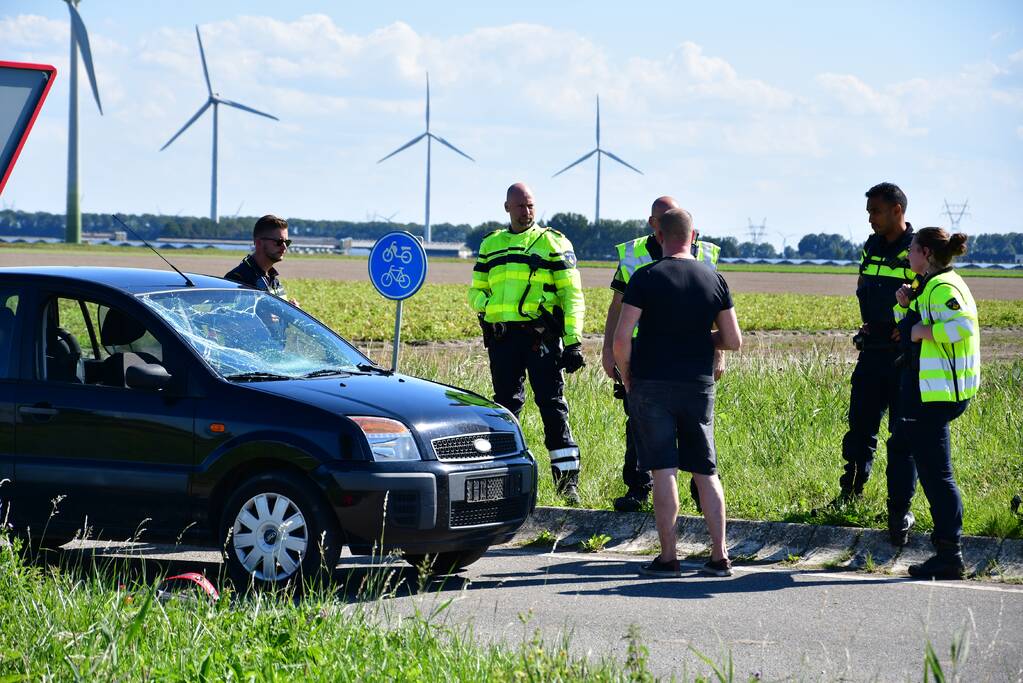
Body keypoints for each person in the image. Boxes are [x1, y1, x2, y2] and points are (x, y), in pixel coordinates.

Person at [613, 208, 741, 578]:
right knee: (706, 470)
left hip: (653, 383)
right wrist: (698, 338)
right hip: (698, 385)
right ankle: (719, 556)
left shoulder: (645, 277)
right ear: (693, 235)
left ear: (660, 236)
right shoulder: (713, 277)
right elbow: (733, 340)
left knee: (664, 470)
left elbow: (623, 339)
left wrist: (627, 375)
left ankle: (669, 557)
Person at [602, 196, 722, 512]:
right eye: (661, 217)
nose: (665, 221)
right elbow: (616, 307)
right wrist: (609, 352)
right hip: (644, 352)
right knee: (638, 425)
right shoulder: (632, 255)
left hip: (691, 354)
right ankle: (638, 489)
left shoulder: (705, 255)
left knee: (696, 429)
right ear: (652, 223)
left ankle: (699, 496)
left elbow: (714, 309)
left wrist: (719, 356)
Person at [469, 183, 586, 504]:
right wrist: (487, 307)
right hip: (503, 339)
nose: (527, 212)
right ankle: (502, 480)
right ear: (507, 207)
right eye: (520, 206)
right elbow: (475, 290)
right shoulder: (491, 244)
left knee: (552, 405)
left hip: (542, 339)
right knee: (505, 407)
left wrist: (574, 342)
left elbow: (572, 295)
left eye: (531, 205)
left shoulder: (552, 242)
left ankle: (567, 485)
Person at [818, 183, 915, 541]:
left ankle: (899, 508)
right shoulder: (871, 247)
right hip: (872, 349)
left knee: (902, 436)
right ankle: (850, 495)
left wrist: (904, 327)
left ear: (896, 210)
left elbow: (929, 297)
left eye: (875, 211)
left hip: (904, 356)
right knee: (859, 428)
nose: (870, 218)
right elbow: (865, 286)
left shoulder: (918, 250)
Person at [891, 227, 979, 579]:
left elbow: (963, 327)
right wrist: (903, 308)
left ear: (926, 253)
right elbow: (908, 329)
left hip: (936, 395)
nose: (907, 256)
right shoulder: (926, 284)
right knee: (930, 470)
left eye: (911, 250)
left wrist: (922, 332)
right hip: (925, 391)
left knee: (937, 476)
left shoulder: (943, 287)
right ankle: (946, 549)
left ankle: (949, 554)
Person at [225, 214, 293, 300]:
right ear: (259, 243)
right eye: (279, 242)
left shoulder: (273, 279)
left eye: (287, 242)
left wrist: (291, 309)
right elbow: (228, 312)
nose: (284, 247)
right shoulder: (237, 278)